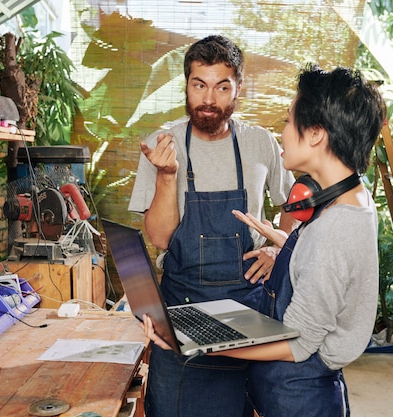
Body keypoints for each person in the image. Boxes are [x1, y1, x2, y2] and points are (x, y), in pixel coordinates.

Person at [142, 64, 386, 417]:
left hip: (300, 393)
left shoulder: (334, 229)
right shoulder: (350, 199)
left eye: (288, 121)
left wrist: (190, 341)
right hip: (288, 389)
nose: (282, 132)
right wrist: (288, 244)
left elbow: (297, 343)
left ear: (316, 134)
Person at [128, 35, 297, 417]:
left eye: (222, 86)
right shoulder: (161, 144)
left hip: (248, 311)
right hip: (181, 311)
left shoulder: (261, 143)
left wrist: (278, 249)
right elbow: (160, 238)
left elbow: (293, 208)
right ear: (186, 85)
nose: (209, 99)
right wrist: (167, 176)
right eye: (198, 85)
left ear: (239, 88)